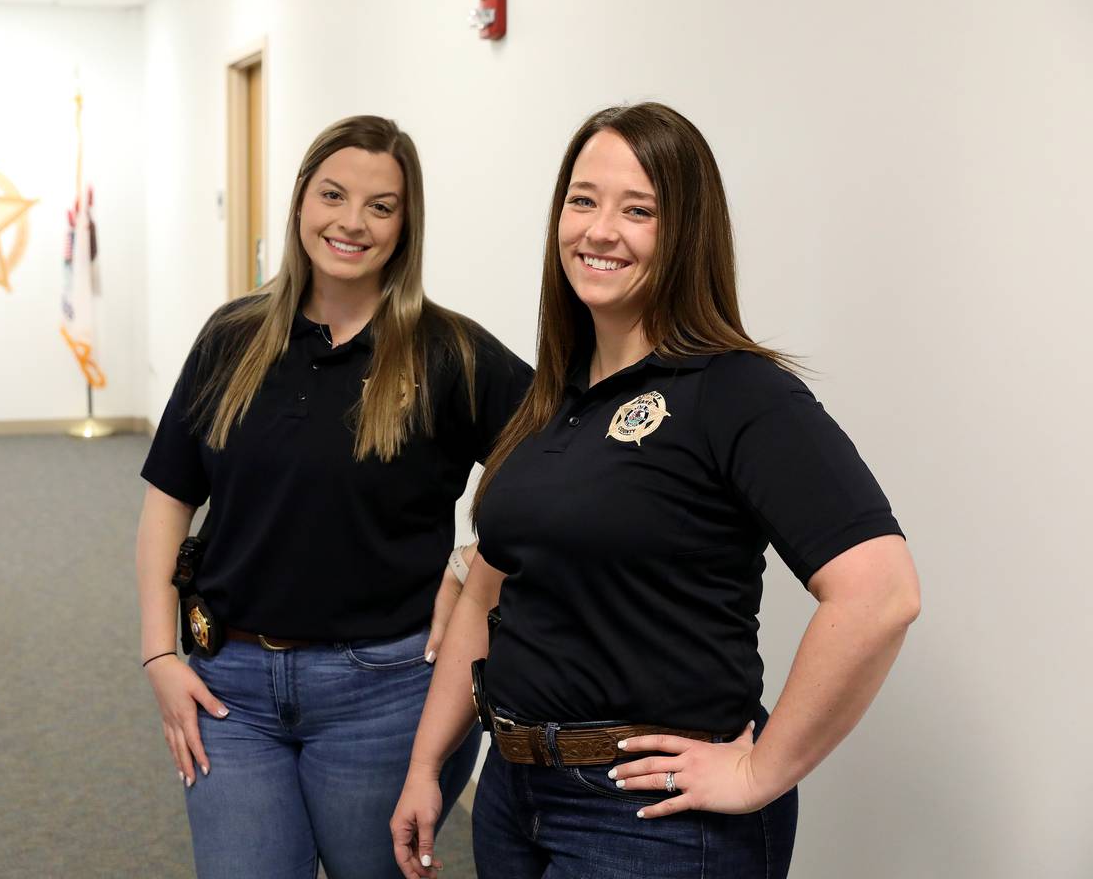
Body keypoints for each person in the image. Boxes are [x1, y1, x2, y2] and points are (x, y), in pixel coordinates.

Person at [390, 102, 920, 879]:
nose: (600, 230)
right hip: (513, 794)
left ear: (686, 234)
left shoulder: (735, 390)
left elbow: (880, 594)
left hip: (649, 820)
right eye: (583, 200)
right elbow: (488, 592)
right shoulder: (552, 400)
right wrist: (427, 767)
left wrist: (759, 772)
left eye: (639, 210)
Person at [137, 115, 533, 878]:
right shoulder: (234, 337)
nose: (352, 222)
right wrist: (158, 651)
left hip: (386, 695)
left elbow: (555, 467)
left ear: (405, 227)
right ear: (299, 205)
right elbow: (167, 501)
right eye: (333, 195)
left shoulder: (449, 352)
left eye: (381, 206)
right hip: (231, 691)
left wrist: (471, 568)